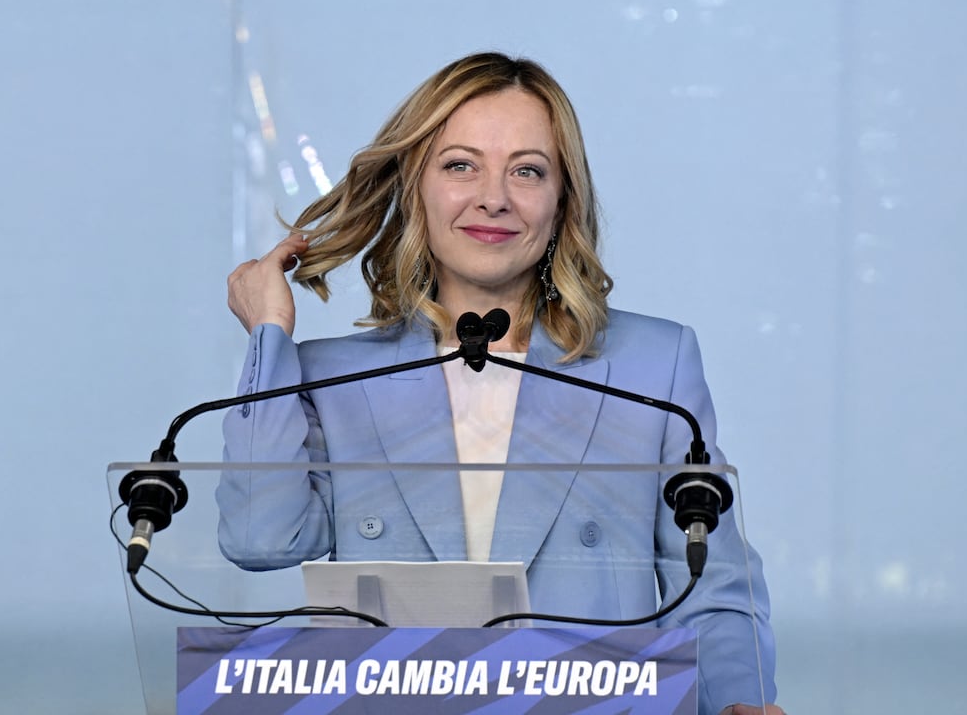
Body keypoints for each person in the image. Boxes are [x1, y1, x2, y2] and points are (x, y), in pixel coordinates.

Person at [216, 52, 784, 715]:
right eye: (461, 165)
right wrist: (269, 336)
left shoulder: (653, 363)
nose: (495, 197)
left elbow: (716, 582)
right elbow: (260, 540)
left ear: (561, 199)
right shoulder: (332, 376)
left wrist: (739, 701)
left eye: (528, 171)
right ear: (416, 185)